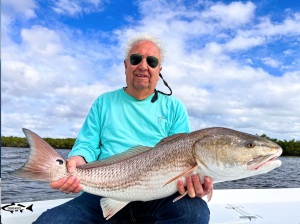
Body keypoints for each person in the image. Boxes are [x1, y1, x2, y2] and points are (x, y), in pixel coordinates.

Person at [34, 33, 213, 224]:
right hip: (102, 190)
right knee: (51, 221)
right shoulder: (104, 102)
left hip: (159, 196)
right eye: (136, 59)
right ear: (126, 65)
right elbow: (87, 145)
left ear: (159, 70)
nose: (143, 66)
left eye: (151, 62)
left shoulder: (174, 107)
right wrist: (76, 161)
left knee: (195, 213)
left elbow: (183, 158)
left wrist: (196, 183)